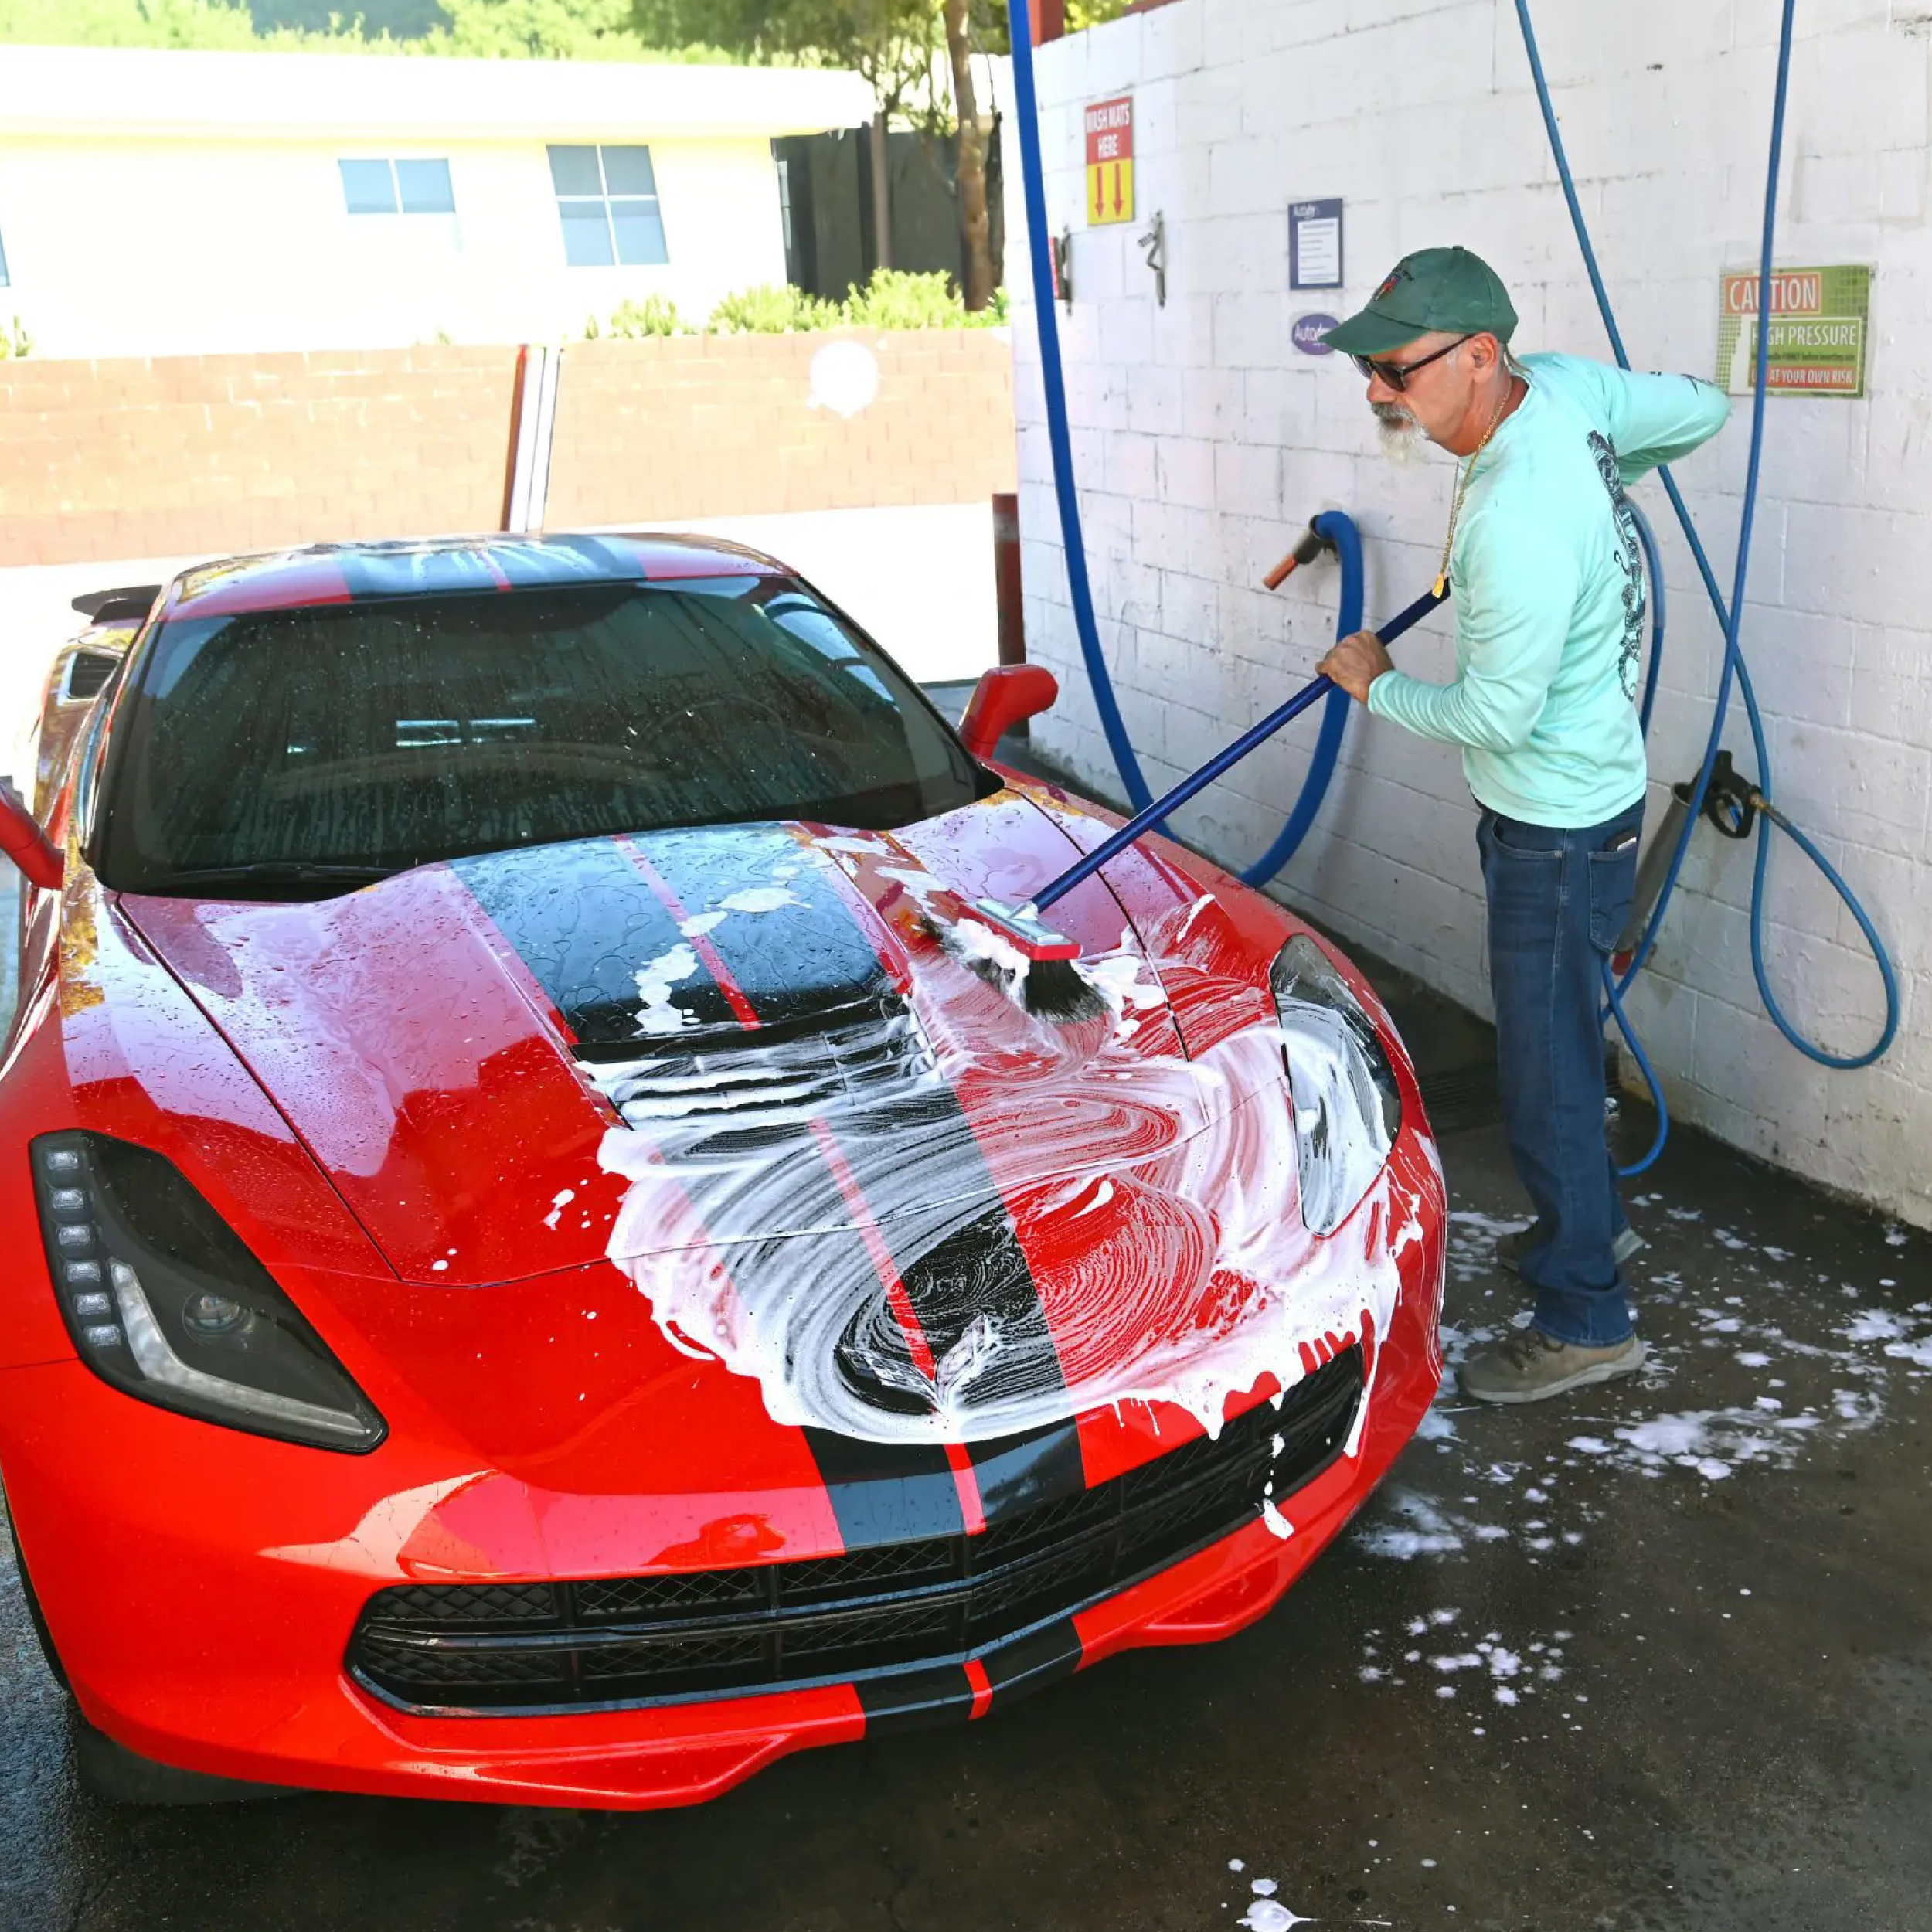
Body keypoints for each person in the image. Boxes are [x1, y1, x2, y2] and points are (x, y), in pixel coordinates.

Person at [1314, 246, 1730, 1405]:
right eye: (1373, 369)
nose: (1378, 392)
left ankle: (1587, 1316)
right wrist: (1613, 481)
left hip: (1550, 826)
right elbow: (1705, 405)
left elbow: (1496, 714)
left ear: (1480, 357)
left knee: (1542, 1076)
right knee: (1561, 1047)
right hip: (1588, 802)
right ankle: (1587, 1233)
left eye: (1395, 370)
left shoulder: (1515, 517)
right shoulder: (1568, 391)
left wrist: (1375, 680)